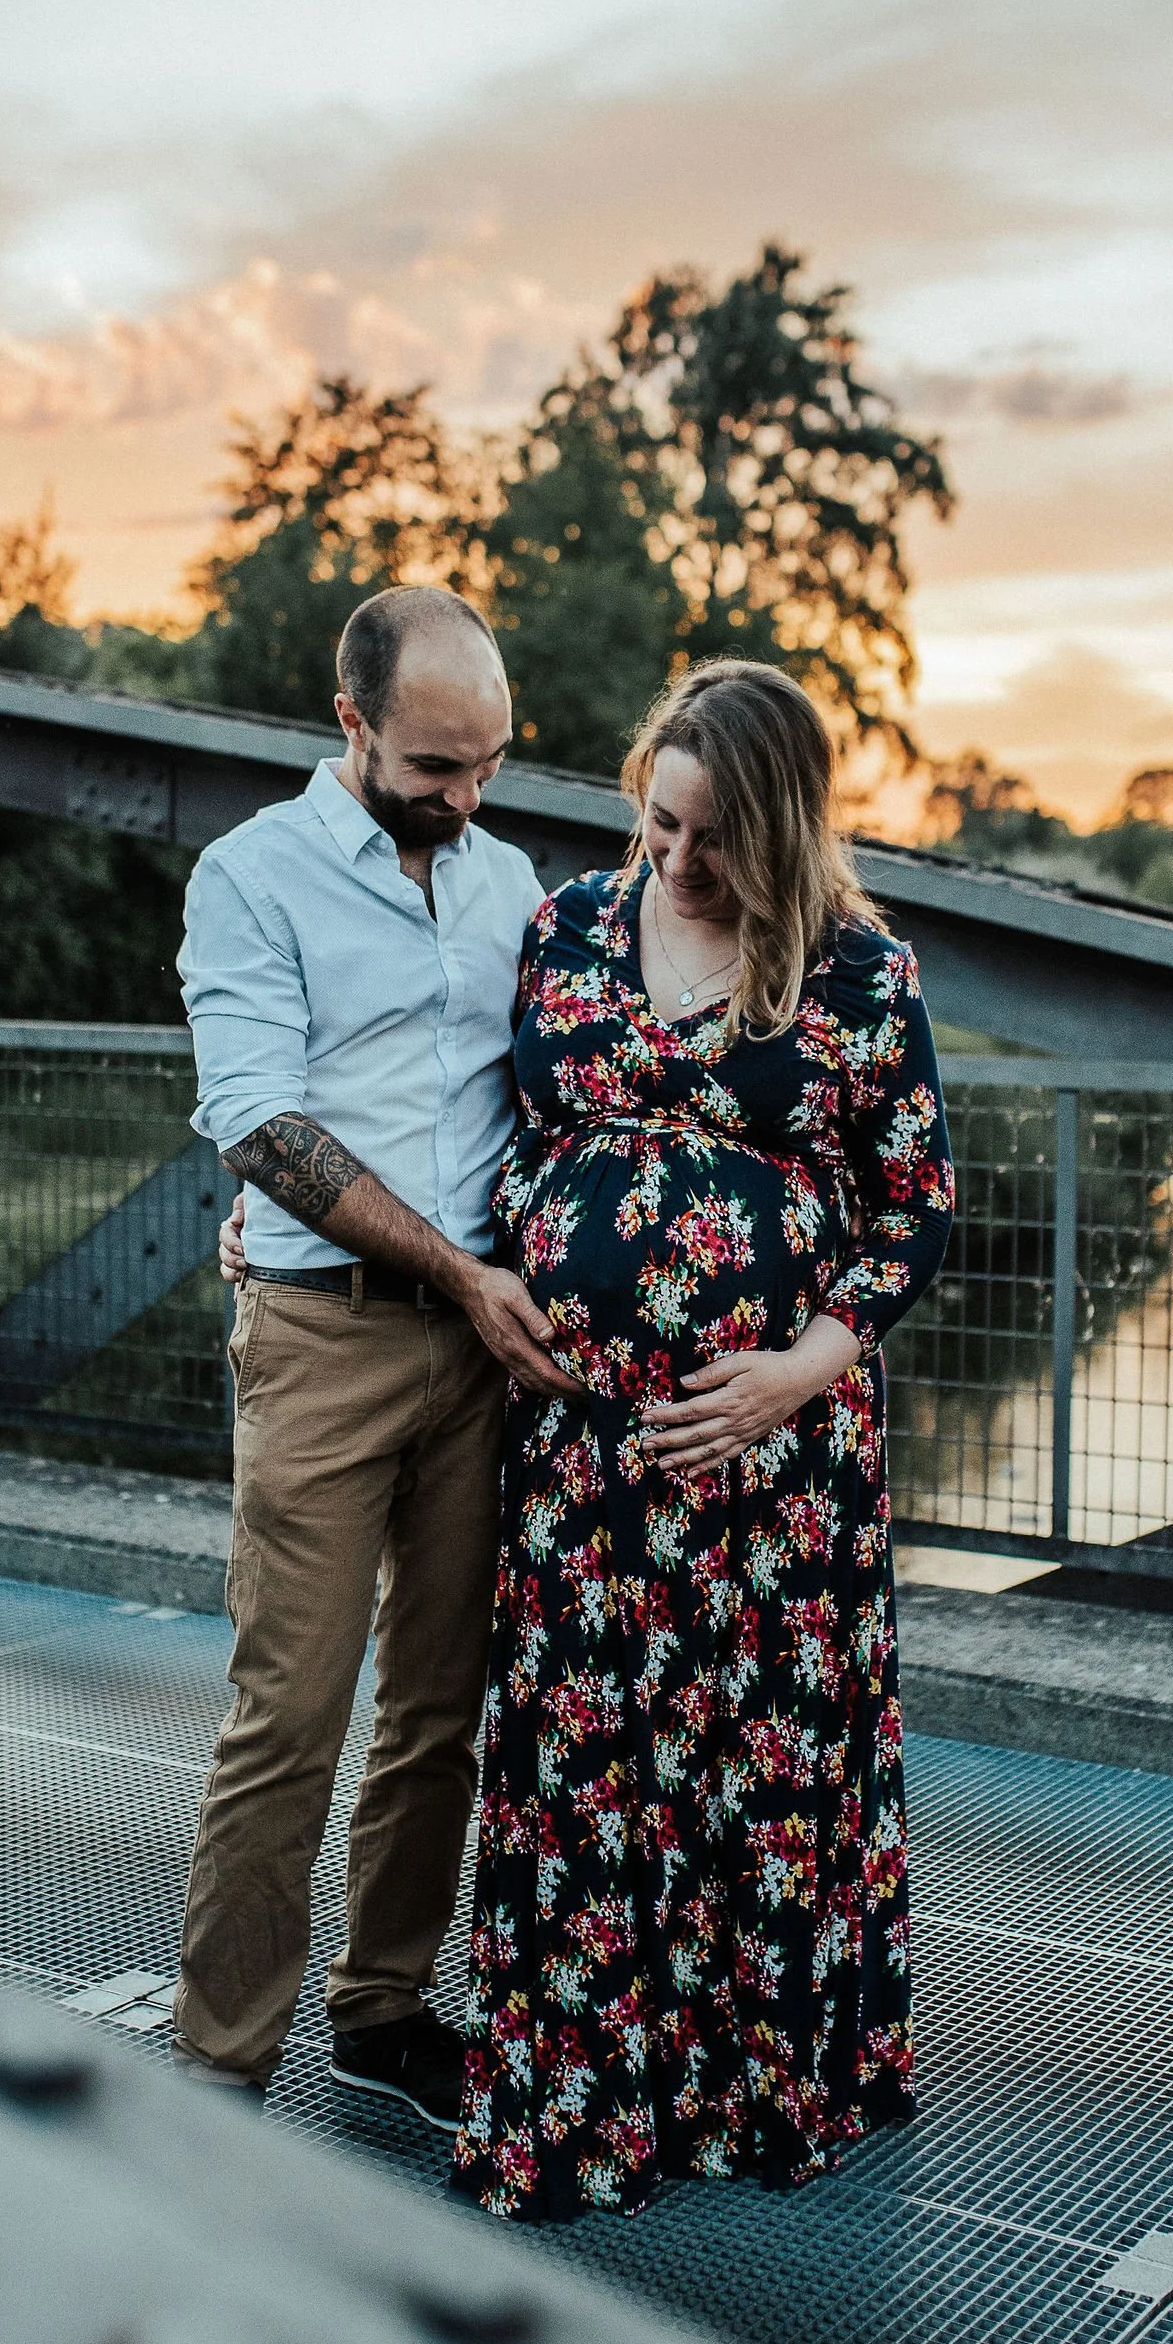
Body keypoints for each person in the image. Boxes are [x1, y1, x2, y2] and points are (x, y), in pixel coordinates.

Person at [450, 662, 955, 2221]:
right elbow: (508, 1135)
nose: (673, 860)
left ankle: (751, 2090)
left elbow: (913, 1221)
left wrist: (793, 1372)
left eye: (714, 840)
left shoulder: (863, 979)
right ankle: (590, 2090)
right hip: (589, 1455)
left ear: (786, 833)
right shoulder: (568, 930)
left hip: (771, 1473)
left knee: (752, 1759)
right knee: (594, 1758)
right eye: (657, 821)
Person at [171, 583, 579, 2118]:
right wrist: (456, 1272)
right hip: (323, 1348)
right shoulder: (250, 876)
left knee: (440, 1707)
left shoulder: (515, 880)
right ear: (351, 725)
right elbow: (261, 1120)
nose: (463, 802)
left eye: (487, 767)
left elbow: (564, 1097)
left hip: (482, 1361)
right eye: (432, 770)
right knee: (289, 1714)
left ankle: (385, 2009)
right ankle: (220, 2070)